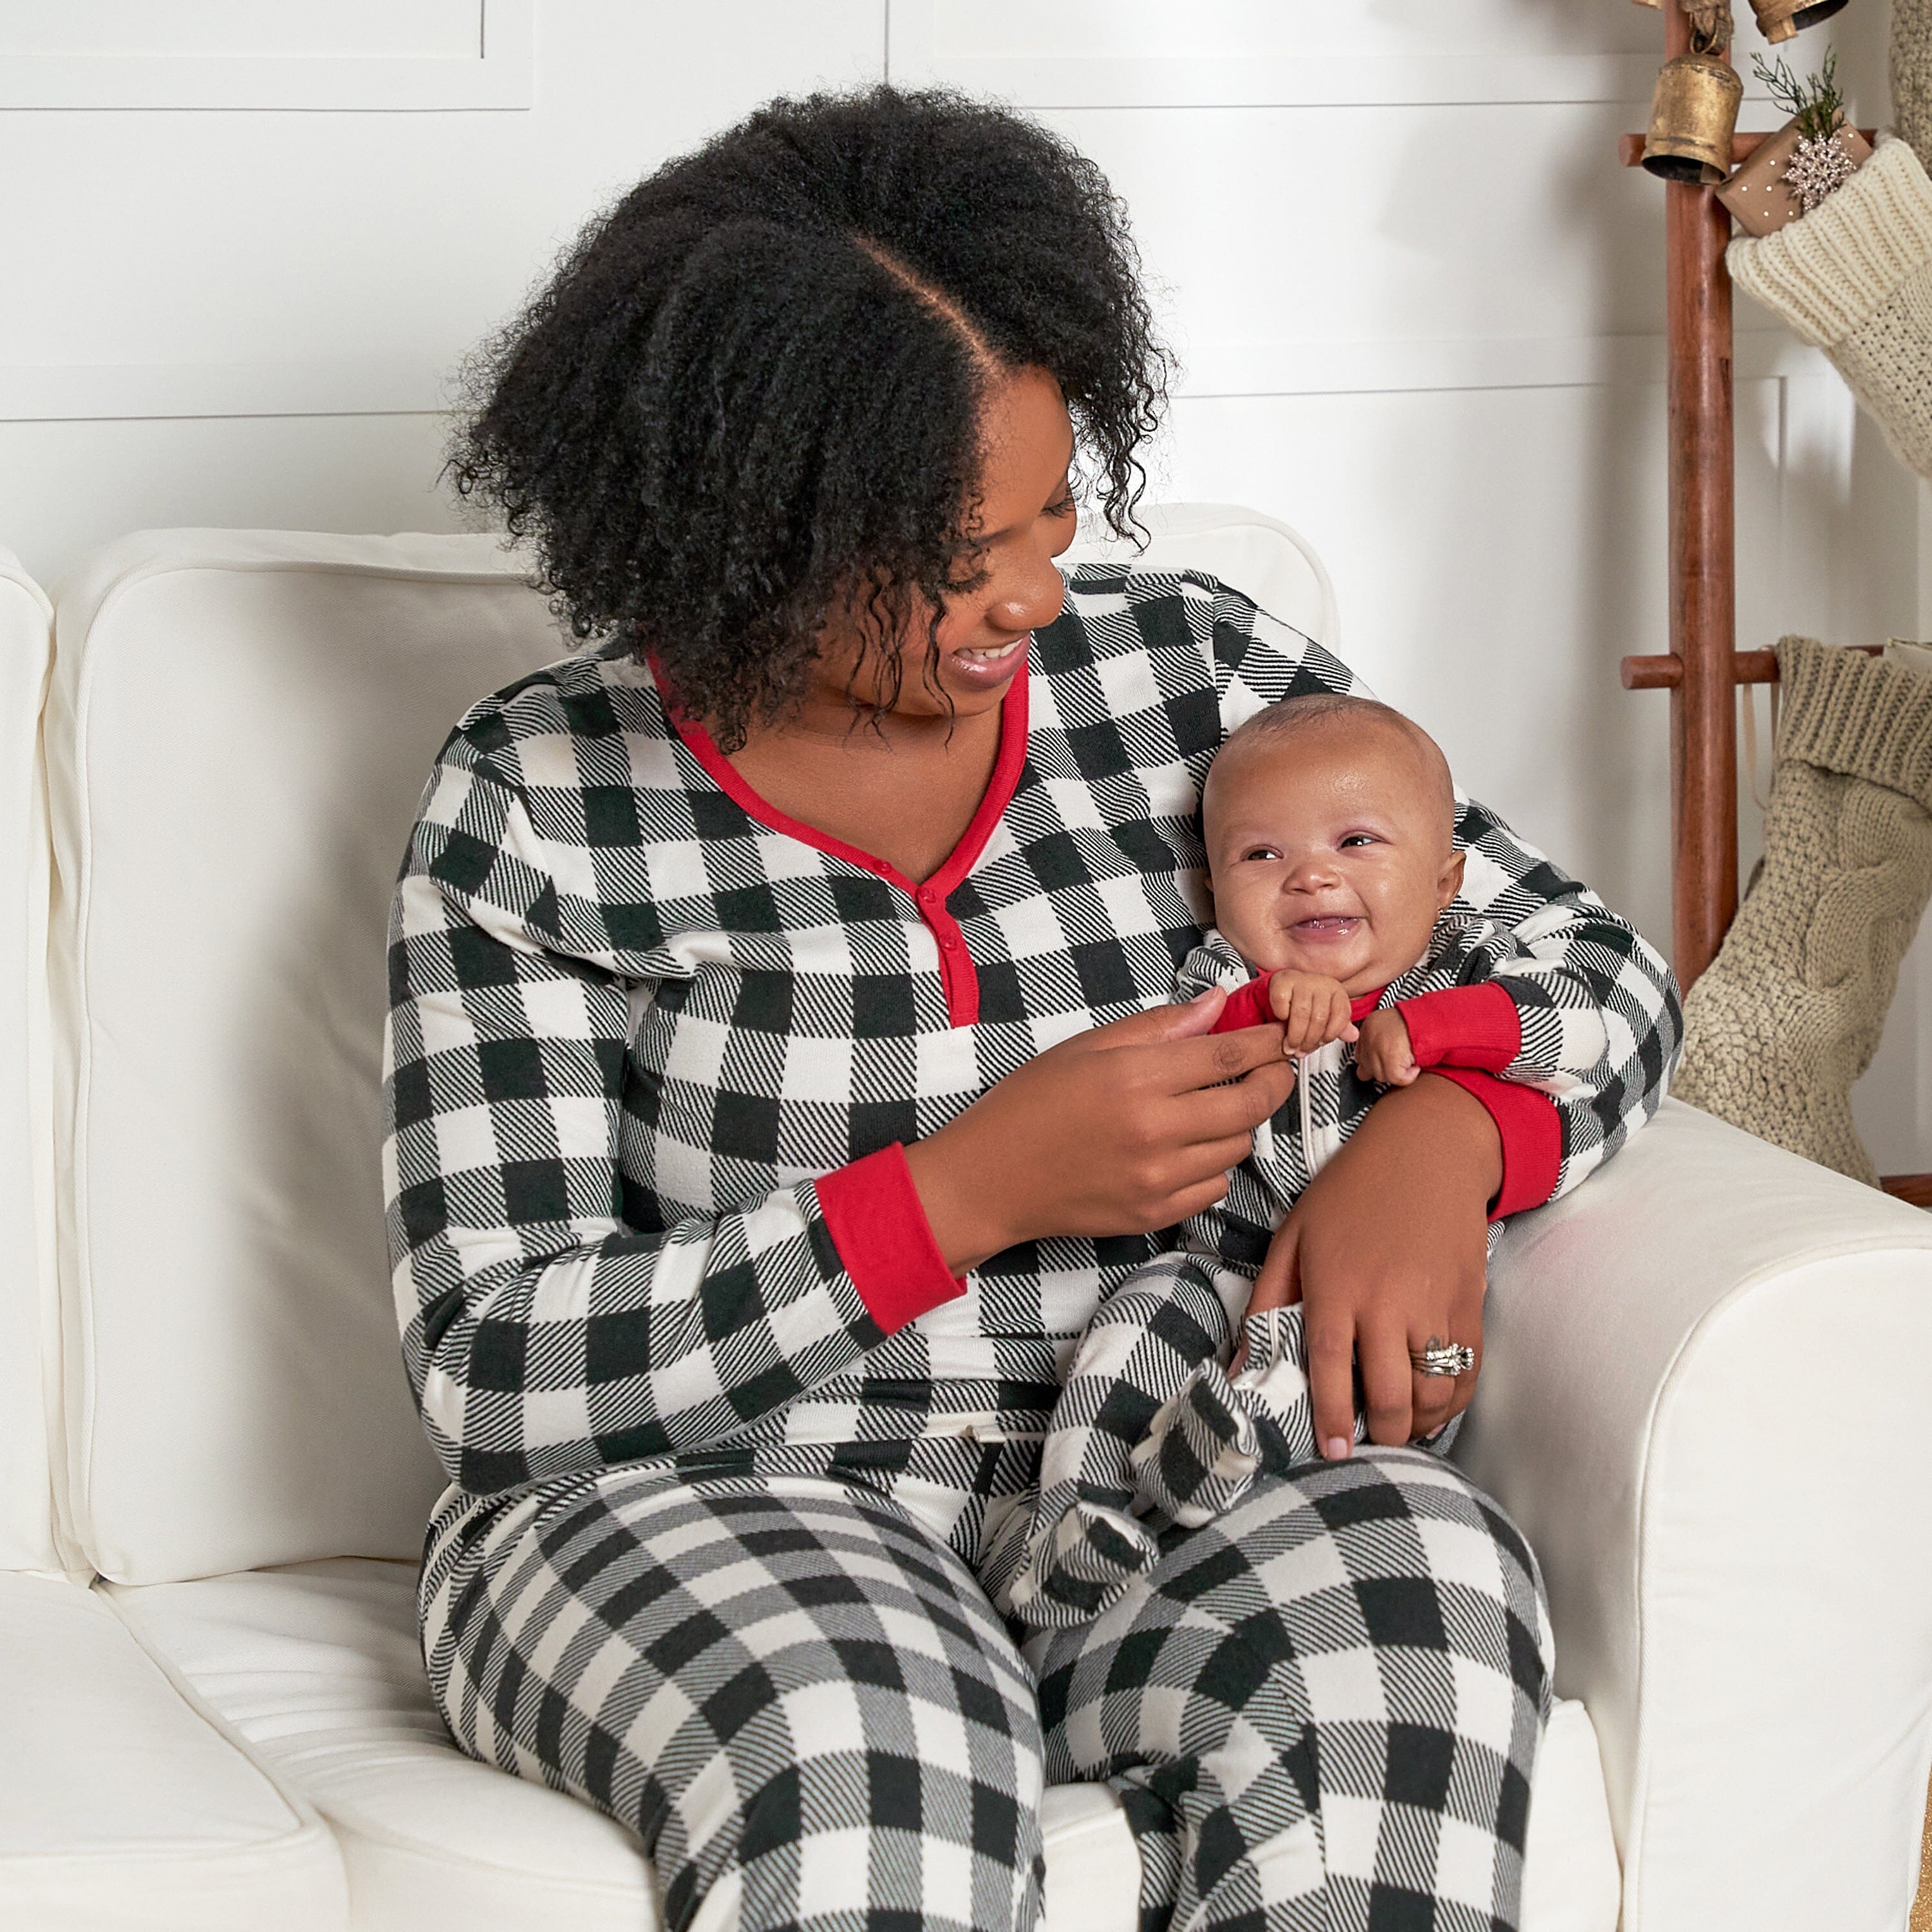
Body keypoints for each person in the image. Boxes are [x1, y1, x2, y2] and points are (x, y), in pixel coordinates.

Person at [383, 84, 1680, 1932]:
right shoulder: (541, 798)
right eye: (948, 557)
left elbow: (1595, 974)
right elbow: (491, 1365)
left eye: (1052, 509)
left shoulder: (1193, 680)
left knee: (1427, 1593)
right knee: (872, 1753)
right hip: (712, 1506)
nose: (1030, 594)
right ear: (746, 536)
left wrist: (1451, 1137)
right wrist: (959, 1197)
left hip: (1152, 1477)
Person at [996, 694, 1614, 1628]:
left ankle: (1209, 1470)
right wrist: (1269, 1014)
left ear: (1446, 881)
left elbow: (1581, 1031)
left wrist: (1434, 1033)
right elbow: (1178, 1057)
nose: (1312, 878)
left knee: (1329, 1370)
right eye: (1262, 856)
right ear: (1213, 894)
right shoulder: (1228, 982)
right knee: (1133, 1325)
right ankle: (1078, 1526)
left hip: (1390, 1314)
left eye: (1357, 843)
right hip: (1219, 1274)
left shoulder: (1467, 969)